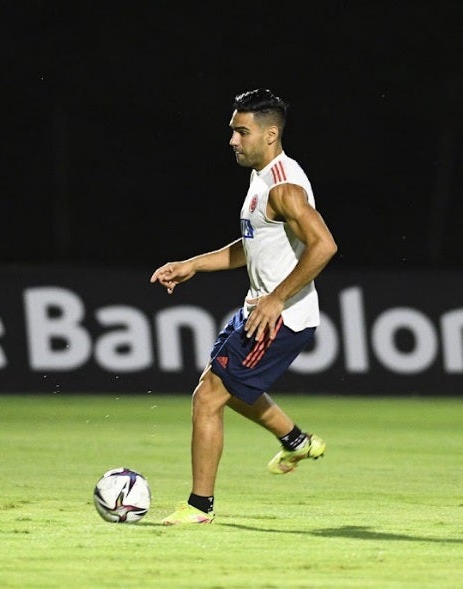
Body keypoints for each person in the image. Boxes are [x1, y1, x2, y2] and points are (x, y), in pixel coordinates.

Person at [150, 88, 338, 525]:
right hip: (258, 308)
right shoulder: (262, 178)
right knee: (228, 390)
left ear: (270, 134)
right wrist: (193, 264)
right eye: (232, 131)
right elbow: (250, 247)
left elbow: (324, 245)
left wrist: (276, 298)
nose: (233, 140)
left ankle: (199, 508)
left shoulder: (284, 186)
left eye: (241, 132)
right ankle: (295, 441)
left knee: (208, 397)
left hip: (280, 316)